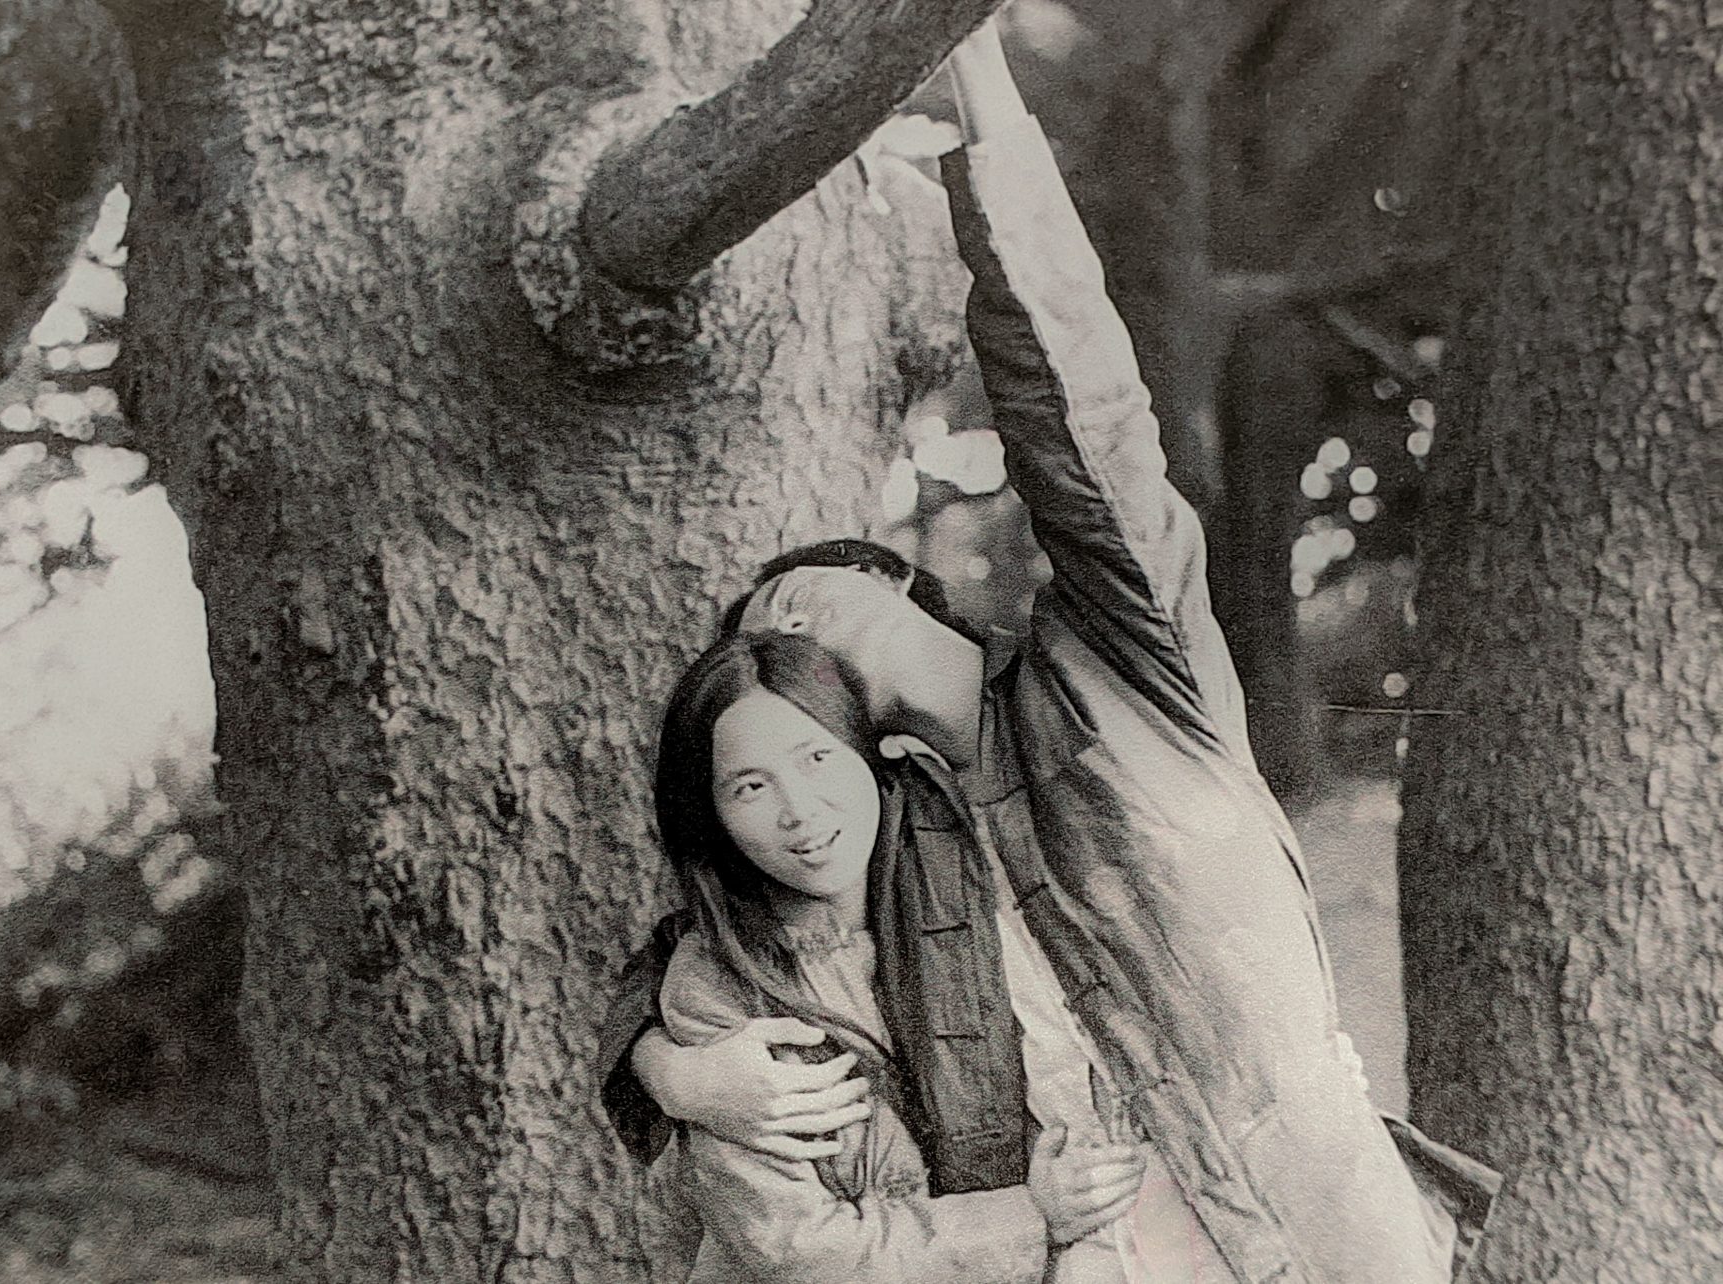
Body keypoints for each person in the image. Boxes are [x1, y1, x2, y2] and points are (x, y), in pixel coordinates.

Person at [601, 18, 1500, 1284]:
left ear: (896, 586)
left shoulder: (1133, 670)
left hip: (1316, 1229)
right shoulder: (898, 831)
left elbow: (1080, 407)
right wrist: (670, 1062)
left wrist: (982, 111)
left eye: (794, 599)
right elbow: (719, 916)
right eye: (767, 658)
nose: (779, 632)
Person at [653, 628, 1153, 1281]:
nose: (799, 812)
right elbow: (802, 1252)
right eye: (751, 786)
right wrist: (1030, 1218)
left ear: (869, 755)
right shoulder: (715, 984)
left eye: (818, 759)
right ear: (711, 813)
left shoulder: (965, 881)